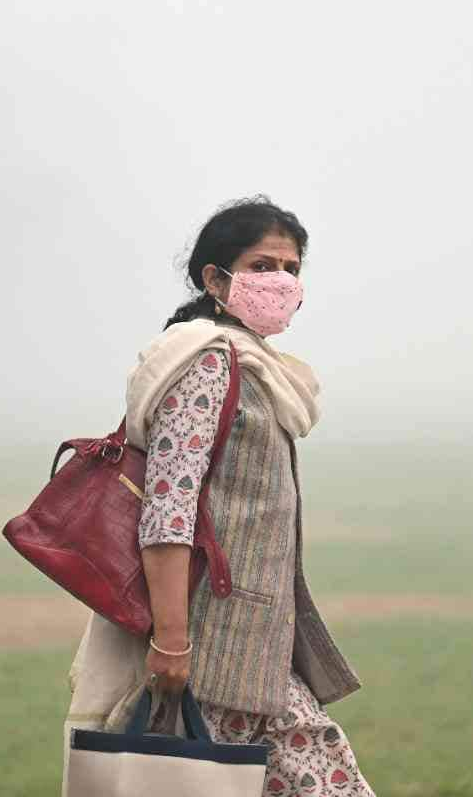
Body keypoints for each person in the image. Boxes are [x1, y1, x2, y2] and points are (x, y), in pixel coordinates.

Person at [126, 195, 378, 796]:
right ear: (215, 277)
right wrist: (171, 644)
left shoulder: (261, 367)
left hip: (261, 651)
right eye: (263, 266)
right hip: (211, 658)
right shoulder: (207, 363)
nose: (281, 281)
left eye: (292, 269)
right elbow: (167, 508)